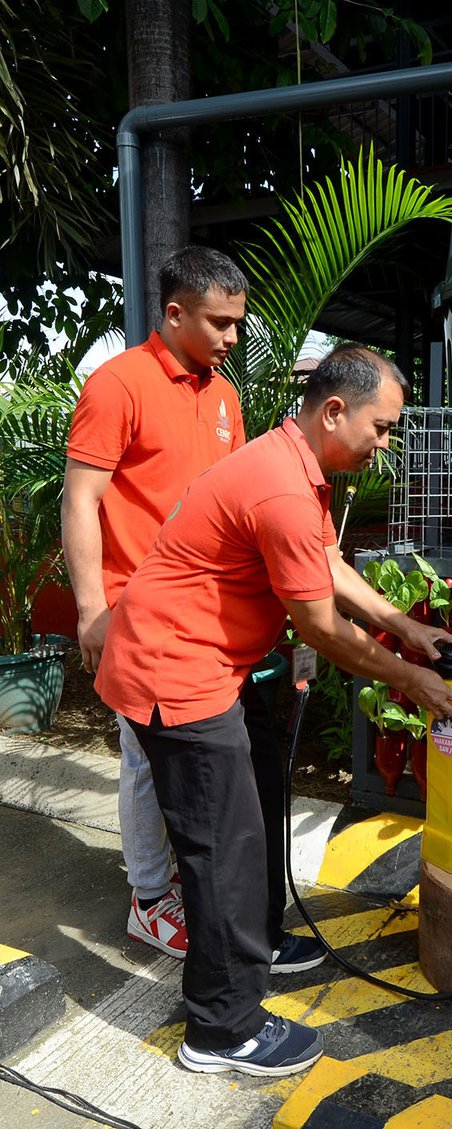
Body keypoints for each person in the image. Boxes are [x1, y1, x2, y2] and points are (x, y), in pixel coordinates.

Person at [93, 344, 452, 1078]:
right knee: (222, 849)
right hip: (177, 672)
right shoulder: (279, 484)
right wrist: (413, 679)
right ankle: (222, 1026)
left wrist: (404, 624)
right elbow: (322, 628)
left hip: (213, 666)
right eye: (383, 426)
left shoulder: (292, 464)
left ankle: (258, 941)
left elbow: (324, 564)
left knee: (260, 798)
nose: (385, 443)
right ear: (335, 409)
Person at [63, 245, 249, 960]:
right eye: (219, 322)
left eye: (237, 322)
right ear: (174, 313)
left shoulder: (223, 393)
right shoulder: (118, 385)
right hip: (134, 613)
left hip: (206, 616)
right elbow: (82, 501)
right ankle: (148, 896)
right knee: (144, 755)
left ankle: (177, 879)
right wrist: (90, 609)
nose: (232, 337)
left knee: (189, 761)